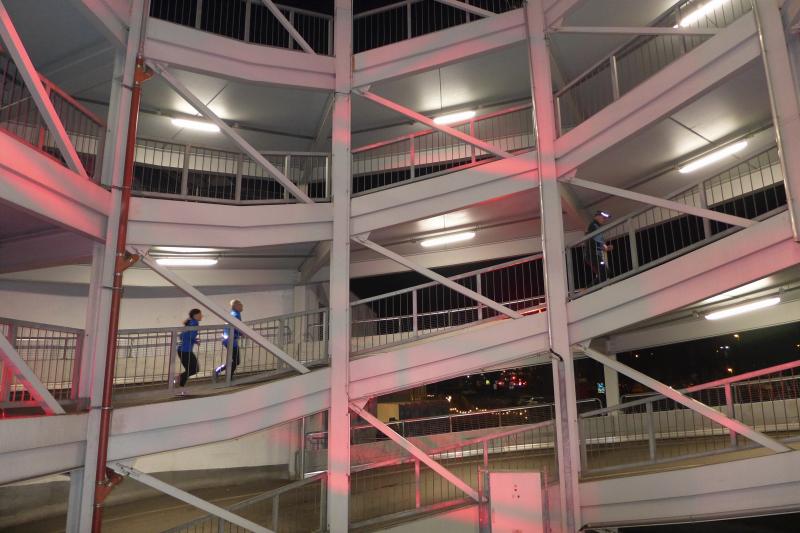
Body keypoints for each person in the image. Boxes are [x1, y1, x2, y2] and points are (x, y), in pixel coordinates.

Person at [215, 299, 244, 379]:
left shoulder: (233, 314)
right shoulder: (236, 315)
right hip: (231, 340)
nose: (242, 306)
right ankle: (226, 376)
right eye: (240, 304)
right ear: (236, 306)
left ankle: (222, 372)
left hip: (228, 340)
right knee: (236, 361)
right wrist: (242, 333)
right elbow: (237, 327)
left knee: (235, 361)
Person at [176, 308, 203, 387]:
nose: (202, 316)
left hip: (182, 350)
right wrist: (194, 340)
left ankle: (181, 386)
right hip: (185, 351)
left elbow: (182, 335)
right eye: (200, 314)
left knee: (191, 370)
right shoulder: (194, 323)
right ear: (195, 315)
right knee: (194, 369)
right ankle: (179, 379)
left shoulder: (191, 323)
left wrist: (194, 341)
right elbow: (186, 335)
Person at [585, 210, 613, 284]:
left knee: (604, 273)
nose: (604, 220)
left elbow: (596, 241)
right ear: (597, 217)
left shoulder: (595, 226)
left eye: (605, 218)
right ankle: (590, 288)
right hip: (593, 255)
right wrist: (605, 247)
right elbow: (596, 240)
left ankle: (592, 288)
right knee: (605, 273)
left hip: (594, 255)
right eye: (603, 218)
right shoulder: (594, 226)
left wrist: (605, 247)